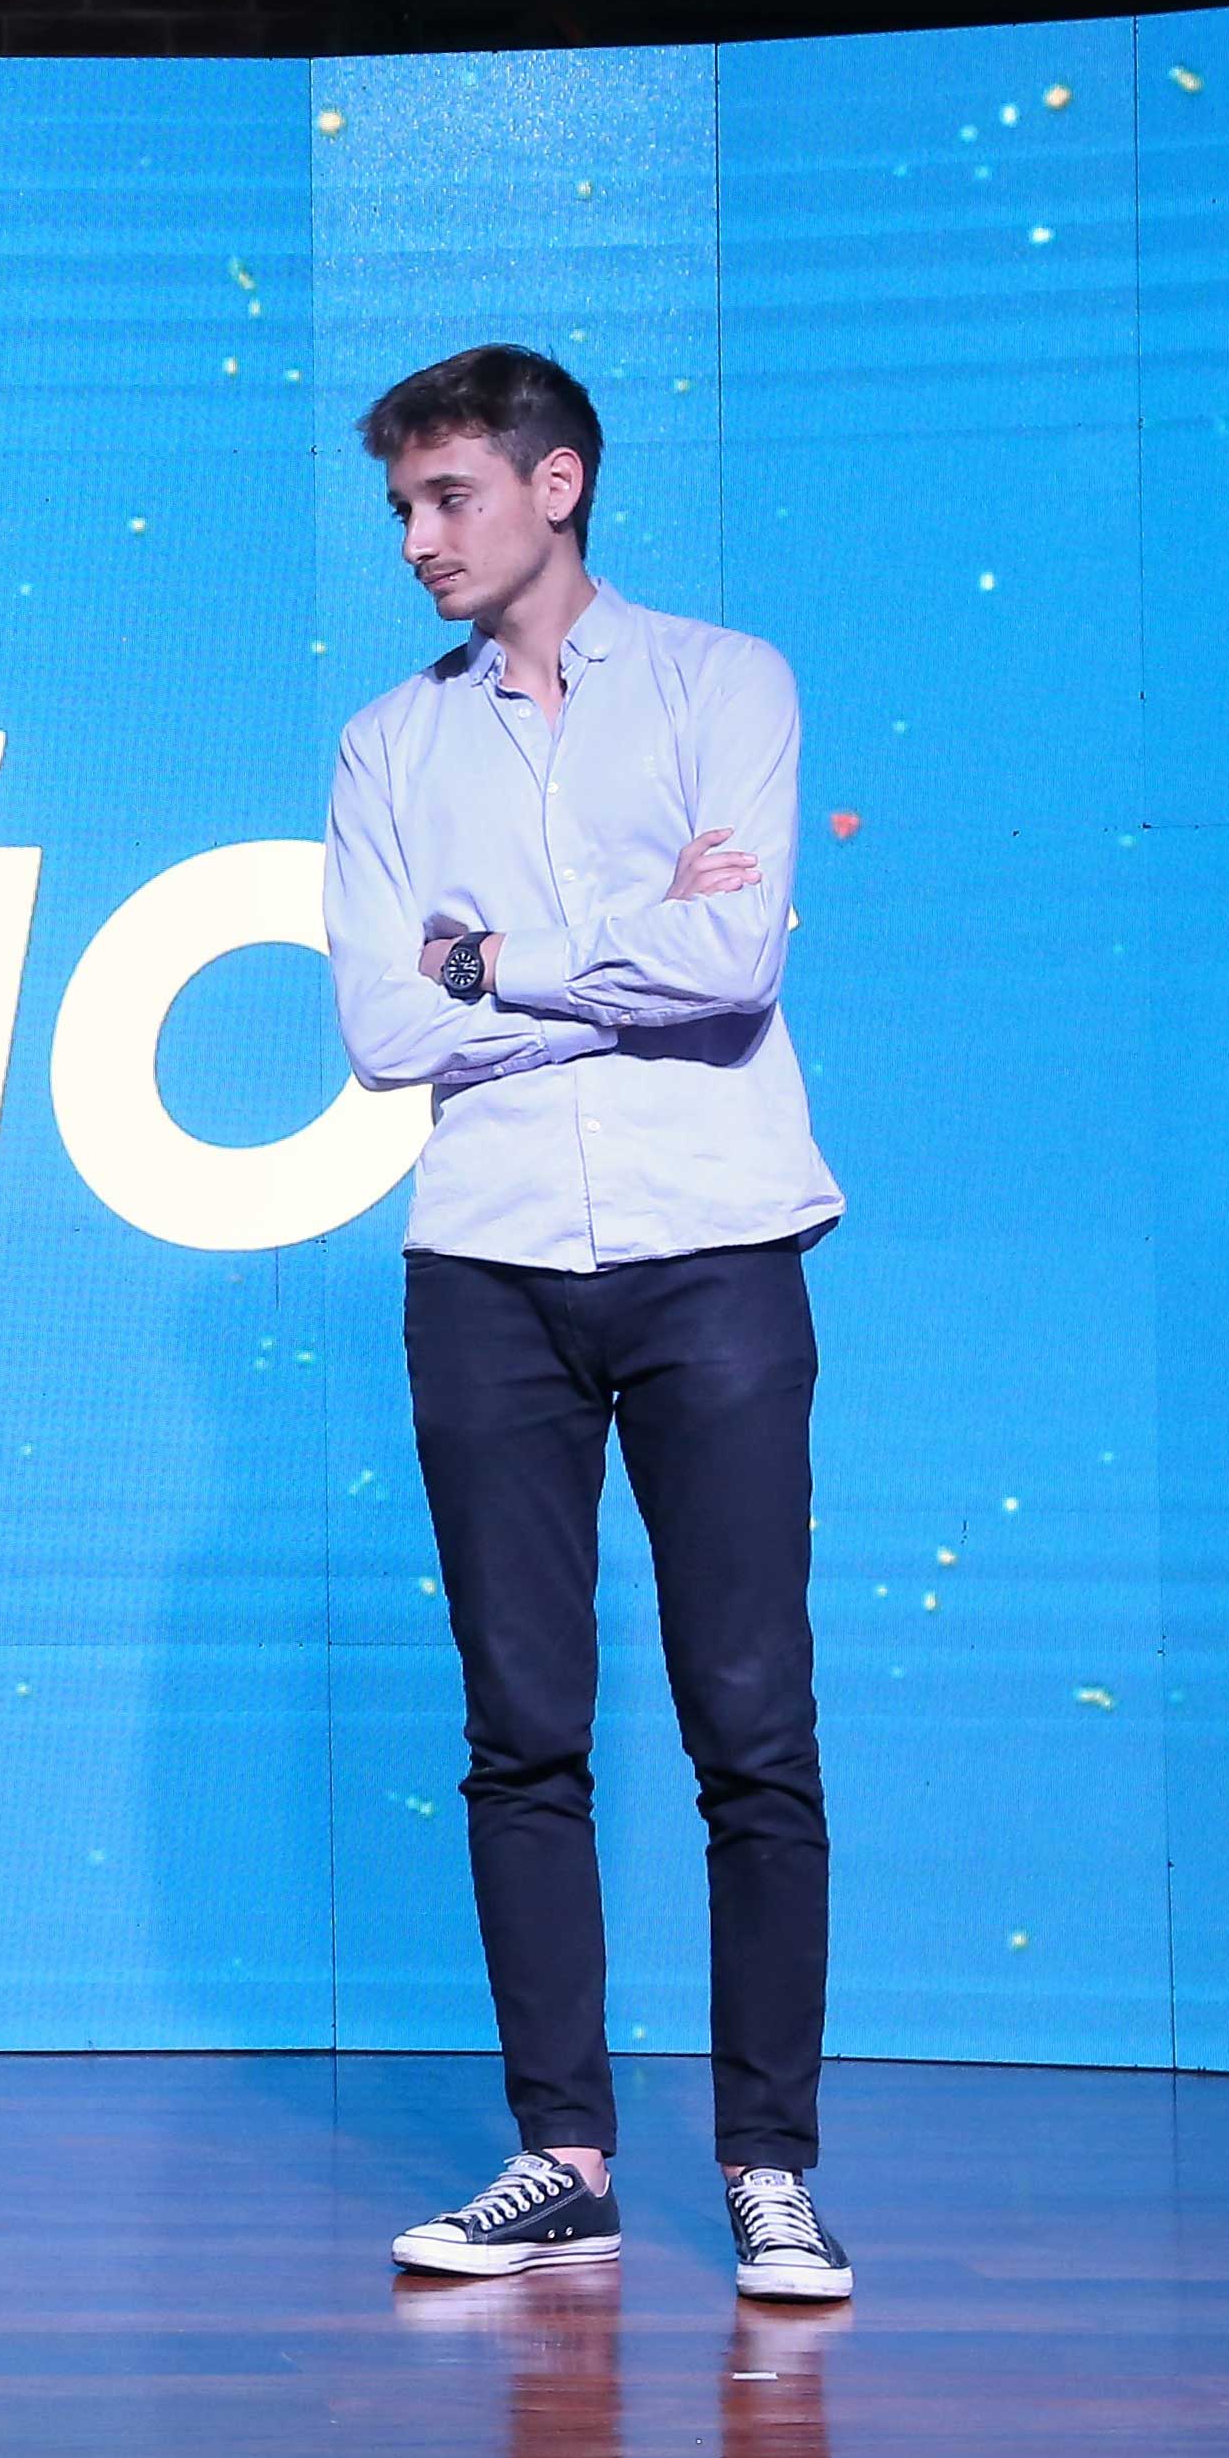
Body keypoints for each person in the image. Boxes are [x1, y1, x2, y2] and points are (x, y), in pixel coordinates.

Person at [322, 346, 857, 2304]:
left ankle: (770, 2166)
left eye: (448, 496)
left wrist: (505, 963)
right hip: (486, 1262)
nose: (417, 539)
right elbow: (383, 1026)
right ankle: (561, 2154)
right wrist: (602, 965)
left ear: (557, 485)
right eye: (401, 506)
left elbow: (731, 966)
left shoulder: (726, 684)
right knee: (520, 1726)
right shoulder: (390, 745)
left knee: (751, 1719)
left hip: (716, 1241)